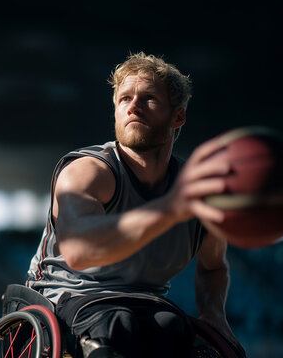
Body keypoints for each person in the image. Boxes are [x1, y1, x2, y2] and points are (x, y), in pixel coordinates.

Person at [26, 52, 244, 357]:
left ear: (177, 116)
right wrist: (169, 209)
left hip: (145, 302)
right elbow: (78, 251)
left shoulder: (198, 194)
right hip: (66, 296)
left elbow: (214, 266)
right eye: (124, 98)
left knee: (174, 329)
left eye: (149, 98)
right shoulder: (87, 171)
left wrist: (214, 314)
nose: (134, 106)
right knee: (117, 326)